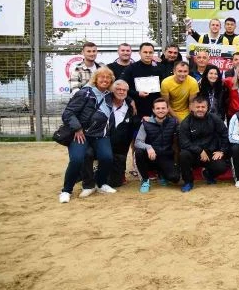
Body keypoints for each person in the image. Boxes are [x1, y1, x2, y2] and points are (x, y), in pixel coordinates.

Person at [58, 66, 116, 203]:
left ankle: (101, 184)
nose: (105, 80)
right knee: (77, 159)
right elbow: (68, 113)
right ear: (95, 79)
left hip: (99, 134)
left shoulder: (109, 95)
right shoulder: (85, 93)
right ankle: (66, 190)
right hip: (81, 133)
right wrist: (77, 128)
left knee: (107, 157)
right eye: (102, 77)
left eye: (108, 78)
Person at [81, 78, 135, 192]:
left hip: (117, 148)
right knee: (87, 153)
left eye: (124, 90)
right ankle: (87, 180)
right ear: (112, 90)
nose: (121, 92)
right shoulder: (103, 102)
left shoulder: (130, 107)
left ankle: (98, 173)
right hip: (99, 140)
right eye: (118, 89)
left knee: (116, 182)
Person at [177, 96, 230, 192]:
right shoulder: (185, 123)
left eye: (203, 107)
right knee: (183, 155)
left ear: (207, 107)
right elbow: (184, 142)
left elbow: (225, 134)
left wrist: (222, 151)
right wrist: (199, 151)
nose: (200, 109)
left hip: (211, 153)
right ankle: (188, 182)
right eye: (197, 107)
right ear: (192, 108)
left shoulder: (214, 119)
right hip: (194, 154)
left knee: (222, 167)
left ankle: (208, 174)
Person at [134, 97, 181, 192]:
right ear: (153, 110)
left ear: (168, 109)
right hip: (150, 156)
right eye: (158, 108)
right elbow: (137, 142)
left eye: (163, 108)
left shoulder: (174, 122)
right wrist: (148, 147)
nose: (161, 111)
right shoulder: (146, 123)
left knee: (175, 178)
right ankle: (145, 180)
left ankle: (161, 173)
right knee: (139, 152)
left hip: (166, 156)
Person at [122, 42, 164, 141]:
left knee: (154, 137)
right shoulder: (131, 68)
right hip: (137, 108)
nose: (148, 54)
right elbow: (121, 85)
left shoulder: (158, 68)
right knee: (137, 138)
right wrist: (137, 94)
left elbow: (163, 87)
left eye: (150, 52)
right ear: (139, 53)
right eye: (145, 52)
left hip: (155, 109)